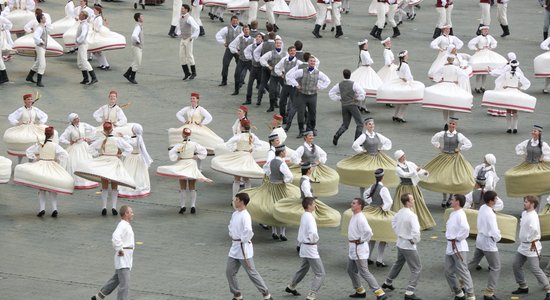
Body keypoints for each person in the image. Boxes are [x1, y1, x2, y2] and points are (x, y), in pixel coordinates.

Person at [74, 122, 135, 216]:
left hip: (104, 161)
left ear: (104, 131)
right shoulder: (117, 140)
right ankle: (114, 207)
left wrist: (98, 155)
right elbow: (129, 148)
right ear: (112, 129)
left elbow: (90, 149)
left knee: (104, 185)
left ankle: (104, 207)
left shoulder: (102, 140)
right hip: (114, 161)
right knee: (115, 185)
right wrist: (121, 155)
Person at [13, 126, 73, 217]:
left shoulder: (40, 144)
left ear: (45, 134)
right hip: (52, 166)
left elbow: (28, 151)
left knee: (42, 188)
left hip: (41, 165)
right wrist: (59, 163)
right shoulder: (55, 145)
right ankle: (54, 209)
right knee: (52, 187)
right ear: (52, 135)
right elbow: (65, 155)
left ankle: (42, 209)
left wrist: (35, 157)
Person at [245, 144, 299, 241]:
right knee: (283, 206)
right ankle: (282, 233)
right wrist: (284, 181)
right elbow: (290, 176)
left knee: (272, 205)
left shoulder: (272, 162)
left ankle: (274, 231)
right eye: (284, 151)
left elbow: (267, 172)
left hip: (272, 186)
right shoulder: (282, 164)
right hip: (280, 187)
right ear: (282, 152)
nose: (285, 152)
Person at [226, 192, 274, 300]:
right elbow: (231, 226)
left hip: (243, 249)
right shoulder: (235, 214)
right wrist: (233, 236)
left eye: (236, 199)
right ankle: (237, 295)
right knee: (229, 272)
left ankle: (266, 294)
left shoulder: (246, 215)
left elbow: (248, 231)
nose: (234, 201)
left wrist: (242, 240)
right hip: (234, 247)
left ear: (242, 202)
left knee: (252, 273)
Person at [419, 117, 474, 207]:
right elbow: (434, 139)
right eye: (450, 123)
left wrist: (459, 149)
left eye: (453, 124)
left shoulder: (459, 135)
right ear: (448, 124)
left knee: (452, 178)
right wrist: (439, 147)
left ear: (456, 126)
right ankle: (445, 198)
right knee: (443, 178)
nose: (452, 125)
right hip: (444, 157)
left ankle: (450, 197)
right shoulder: (443, 133)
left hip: (454, 158)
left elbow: (468, 143)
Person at [336, 117, 397, 198]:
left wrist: (382, 148)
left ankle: (376, 194)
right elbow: (355, 144)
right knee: (364, 175)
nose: (371, 125)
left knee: (378, 174)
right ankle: (362, 196)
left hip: (377, 157)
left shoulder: (377, 135)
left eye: (372, 124)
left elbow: (387, 141)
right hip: (367, 157)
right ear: (366, 126)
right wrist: (361, 150)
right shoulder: (364, 136)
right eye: (369, 124)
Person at [157, 128, 212, 214]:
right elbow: (203, 151)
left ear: (182, 135)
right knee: (192, 186)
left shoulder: (179, 145)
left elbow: (172, 152)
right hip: (191, 164)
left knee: (182, 186)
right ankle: (193, 206)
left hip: (182, 164)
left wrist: (177, 157)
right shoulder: (194, 144)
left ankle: (182, 206)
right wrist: (196, 157)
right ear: (190, 135)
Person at [381, 193, 422, 300]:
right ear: (408, 202)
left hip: (400, 243)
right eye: (412, 199)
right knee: (416, 268)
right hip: (408, 245)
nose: (413, 201)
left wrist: (399, 232)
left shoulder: (399, 212)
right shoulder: (412, 215)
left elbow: (393, 222)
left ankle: (387, 282)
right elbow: (416, 232)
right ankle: (409, 292)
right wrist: (414, 240)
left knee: (398, 263)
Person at [346, 197, 388, 300]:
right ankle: (360, 291)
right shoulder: (354, 215)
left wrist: (362, 240)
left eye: (354, 203)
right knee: (351, 270)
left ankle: (380, 293)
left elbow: (369, 232)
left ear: (360, 206)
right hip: (353, 248)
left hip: (358, 249)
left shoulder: (360, 218)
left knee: (364, 272)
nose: (352, 204)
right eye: (352, 202)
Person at [211, 119, 264, 198]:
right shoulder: (252, 136)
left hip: (239, 156)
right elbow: (259, 145)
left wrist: (234, 150)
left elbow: (229, 143)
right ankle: (247, 197)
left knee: (237, 178)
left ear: (242, 127)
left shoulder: (239, 136)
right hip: (247, 156)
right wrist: (252, 150)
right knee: (246, 177)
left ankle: (234, 197)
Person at [91, 205, 135, 300]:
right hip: (123, 260)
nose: (132, 214)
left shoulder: (125, 225)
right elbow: (115, 236)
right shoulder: (123, 225)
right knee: (124, 285)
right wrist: (120, 249)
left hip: (125, 259)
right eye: (131, 212)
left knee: (116, 279)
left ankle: (99, 296)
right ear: (126, 214)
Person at [285, 197, 325, 300]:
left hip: (304, 247)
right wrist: (315, 240)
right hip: (310, 248)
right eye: (314, 203)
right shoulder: (310, 217)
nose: (315, 205)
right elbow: (313, 233)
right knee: (320, 273)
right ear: (309, 205)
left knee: (304, 268)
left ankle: (291, 286)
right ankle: (311, 295)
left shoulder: (304, 215)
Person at [481, 60, 537, 133]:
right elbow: (527, 83)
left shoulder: (506, 74)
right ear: (517, 66)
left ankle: (509, 128)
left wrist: (501, 88)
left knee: (508, 110)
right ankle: (515, 128)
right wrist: (521, 88)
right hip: (515, 92)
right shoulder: (518, 74)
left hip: (507, 91)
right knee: (515, 109)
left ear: (510, 65)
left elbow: (498, 81)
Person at [511, 196, 550, 300]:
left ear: (532, 204)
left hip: (531, 246)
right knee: (516, 265)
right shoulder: (524, 213)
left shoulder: (533, 216)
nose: (524, 203)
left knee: (535, 269)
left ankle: (548, 290)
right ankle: (523, 286)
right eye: (524, 201)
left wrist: (530, 239)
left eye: (526, 202)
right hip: (523, 246)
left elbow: (535, 231)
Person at [466, 191, 502, 300]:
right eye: (495, 199)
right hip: (488, 243)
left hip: (480, 240)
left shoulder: (482, 208)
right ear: (491, 201)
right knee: (496, 267)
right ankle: (489, 292)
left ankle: (462, 283)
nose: (496, 200)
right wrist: (498, 238)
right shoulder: (491, 214)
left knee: (473, 262)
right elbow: (494, 230)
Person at [286, 55, 330, 137]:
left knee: (312, 113)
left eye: (314, 61)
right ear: (308, 62)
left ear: (315, 63)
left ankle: (311, 129)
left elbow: (327, 80)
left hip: (312, 96)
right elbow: (290, 76)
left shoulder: (318, 73)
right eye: (311, 61)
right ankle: (301, 130)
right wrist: (296, 85)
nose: (312, 62)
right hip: (302, 95)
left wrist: (319, 87)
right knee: (301, 113)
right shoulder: (302, 71)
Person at [376, 50, 424, 123]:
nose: (408, 56)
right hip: (405, 82)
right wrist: (411, 81)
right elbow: (408, 75)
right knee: (405, 101)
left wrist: (402, 77)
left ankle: (396, 115)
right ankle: (400, 116)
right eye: (407, 55)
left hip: (400, 81)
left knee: (400, 100)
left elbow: (398, 73)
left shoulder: (400, 64)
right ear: (404, 56)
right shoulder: (405, 65)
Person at [4, 93, 54, 163]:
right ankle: (19, 162)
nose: (30, 101)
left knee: (34, 142)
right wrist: (17, 122)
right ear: (24, 101)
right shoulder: (21, 110)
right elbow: (11, 116)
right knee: (22, 142)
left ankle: (30, 162)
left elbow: (44, 116)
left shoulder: (35, 109)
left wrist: (40, 122)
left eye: (31, 99)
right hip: (24, 127)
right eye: (28, 99)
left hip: (33, 127)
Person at [392, 150, 435, 230]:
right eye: (402, 156)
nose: (404, 157)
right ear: (399, 158)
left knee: (418, 203)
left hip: (413, 187)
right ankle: (404, 224)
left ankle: (421, 222)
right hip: (404, 188)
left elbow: (417, 170)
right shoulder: (397, 168)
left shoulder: (409, 163)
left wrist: (424, 173)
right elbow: (405, 175)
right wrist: (416, 171)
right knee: (403, 204)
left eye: (404, 155)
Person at [423, 54, 473, 122]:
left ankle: (445, 122)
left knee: (445, 104)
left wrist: (440, 80)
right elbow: (464, 75)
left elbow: (435, 75)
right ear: (453, 60)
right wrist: (458, 81)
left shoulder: (444, 67)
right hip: (452, 85)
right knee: (451, 103)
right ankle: (450, 121)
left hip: (444, 84)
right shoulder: (456, 68)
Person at [504, 125, 550, 197]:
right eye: (532, 131)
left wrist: (542, 159)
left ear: (539, 133)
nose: (533, 132)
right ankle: (526, 200)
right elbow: (519, 148)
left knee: (535, 187)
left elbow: (548, 154)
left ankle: (535, 204)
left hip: (536, 166)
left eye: (535, 131)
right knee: (510, 174)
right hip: (527, 165)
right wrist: (524, 155)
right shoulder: (527, 142)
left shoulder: (543, 144)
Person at [444, 194, 475, 300]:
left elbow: (466, 229)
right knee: (448, 271)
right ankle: (459, 293)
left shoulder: (460, 214)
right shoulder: (453, 213)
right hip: (451, 246)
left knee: (463, 271)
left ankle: (470, 295)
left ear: (457, 202)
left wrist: (457, 238)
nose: (451, 201)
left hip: (458, 247)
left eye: (452, 199)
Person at [362, 168, 395, 267]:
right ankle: (379, 259)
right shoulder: (383, 189)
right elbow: (389, 201)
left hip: (371, 211)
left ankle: (368, 257)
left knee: (373, 235)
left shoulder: (372, 186)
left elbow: (365, 195)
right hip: (379, 212)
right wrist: (384, 207)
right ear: (382, 177)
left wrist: (371, 203)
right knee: (383, 236)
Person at [290, 131, 339, 197]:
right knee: (306, 182)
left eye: (312, 136)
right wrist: (299, 162)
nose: (312, 137)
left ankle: (313, 197)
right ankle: (308, 196)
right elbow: (293, 156)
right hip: (306, 168)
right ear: (305, 137)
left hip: (315, 168)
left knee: (318, 182)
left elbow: (323, 154)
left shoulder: (315, 147)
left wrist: (319, 161)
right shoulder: (302, 148)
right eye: (310, 136)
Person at [59, 113, 98, 189]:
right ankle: (77, 181)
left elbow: (93, 129)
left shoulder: (83, 125)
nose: (78, 120)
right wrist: (69, 142)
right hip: (75, 147)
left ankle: (88, 180)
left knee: (87, 161)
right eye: (75, 119)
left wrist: (88, 138)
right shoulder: (69, 128)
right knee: (74, 163)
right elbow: (61, 138)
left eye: (78, 118)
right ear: (72, 121)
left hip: (84, 146)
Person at [329, 68, 366, 146]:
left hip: (344, 105)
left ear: (343, 75)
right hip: (352, 105)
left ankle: (337, 134)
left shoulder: (339, 84)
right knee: (360, 123)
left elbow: (331, 93)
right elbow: (362, 94)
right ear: (350, 75)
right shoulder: (354, 84)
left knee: (345, 124)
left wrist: (340, 98)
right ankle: (357, 141)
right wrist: (357, 99)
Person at [467, 26, 507, 94]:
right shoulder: (479, 37)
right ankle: (477, 87)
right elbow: (470, 44)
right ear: (481, 31)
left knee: (485, 72)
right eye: (484, 30)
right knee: (479, 72)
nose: (486, 31)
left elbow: (494, 42)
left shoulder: (489, 37)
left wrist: (491, 47)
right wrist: (476, 49)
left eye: (487, 30)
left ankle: (483, 86)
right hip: (481, 53)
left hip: (488, 53)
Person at [118, 124, 152, 198]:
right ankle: (140, 186)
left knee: (129, 171)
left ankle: (129, 188)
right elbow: (130, 139)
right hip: (139, 157)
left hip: (132, 157)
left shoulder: (133, 140)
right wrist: (123, 136)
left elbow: (128, 142)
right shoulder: (139, 138)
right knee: (140, 173)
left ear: (133, 131)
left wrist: (121, 138)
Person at [350, 39, 383, 113]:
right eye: (366, 44)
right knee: (364, 86)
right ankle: (360, 105)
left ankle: (362, 106)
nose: (367, 45)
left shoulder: (363, 51)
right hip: (366, 69)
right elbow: (369, 61)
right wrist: (371, 61)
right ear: (364, 45)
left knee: (364, 88)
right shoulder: (364, 52)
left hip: (366, 68)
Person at [274, 45, 300, 121]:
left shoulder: (298, 62)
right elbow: (277, 67)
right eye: (291, 51)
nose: (293, 52)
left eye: (294, 51)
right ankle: (283, 117)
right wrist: (281, 74)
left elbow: (304, 69)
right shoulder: (284, 60)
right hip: (285, 85)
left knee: (295, 103)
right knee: (282, 102)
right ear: (288, 52)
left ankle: (305, 116)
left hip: (293, 86)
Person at [259, 38, 285, 112]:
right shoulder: (271, 53)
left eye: (280, 43)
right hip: (273, 75)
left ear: (281, 44)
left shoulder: (285, 53)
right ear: (275, 44)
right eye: (277, 43)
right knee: (272, 91)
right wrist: (267, 65)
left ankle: (284, 105)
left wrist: (284, 71)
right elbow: (262, 59)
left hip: (281, 76)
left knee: (286, 90)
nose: (278, 44)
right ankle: (272, 106)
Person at [216, 15, 242, 86]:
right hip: (229, 49)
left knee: (240, 65)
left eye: (236, 21)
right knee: (225, 64)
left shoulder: (241, 29)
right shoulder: (226, 29)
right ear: (231, 21)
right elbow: (218, 35)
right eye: (233, 21)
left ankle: (240, 80)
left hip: (237, 50)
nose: (235, 22)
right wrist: (223, 42)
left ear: (238, 21)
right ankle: (224, 80)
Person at [176, 4, 199, 81]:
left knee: (189, 55)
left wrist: (193, 37)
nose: (181, 10)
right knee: (181, 56)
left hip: (188, 39)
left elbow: (196, 27)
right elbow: (179, 26)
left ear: (186, 10)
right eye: (181, 9)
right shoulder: (180, 17)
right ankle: (186, 72)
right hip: (182, 38)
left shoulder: (189, 18)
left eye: (182, 9)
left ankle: (193, 72)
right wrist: (179, 33)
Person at [229, 25, 253, 96]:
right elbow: (231, 45)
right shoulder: (239, 39)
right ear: (243, 31)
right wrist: (236, 51)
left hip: (249, 61)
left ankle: (261, 88)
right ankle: (236, 90)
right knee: (237, 75)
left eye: (247, 29)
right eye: (245, 29)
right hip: (241, 60)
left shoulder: (253, 40)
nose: (246, 31)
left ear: (249, 31)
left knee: (256, 75)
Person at [76, 11, 98, 85]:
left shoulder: (84, 25)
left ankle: (94, 77)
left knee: (84, 61)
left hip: (82, 44)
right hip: (81, 44)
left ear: (84, 16)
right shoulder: (83, 23)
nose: (79, 15)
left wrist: (78, 41)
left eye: (80, 14)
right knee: (80, 62)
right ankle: (85, 78)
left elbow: (83, 35)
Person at [25, 13, 47, 87]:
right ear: (41, 19)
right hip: (40, 47)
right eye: (44, 17)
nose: (45, 19)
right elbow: (35, 36)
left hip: (41, 47)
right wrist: (41, 41)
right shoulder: (40, 28)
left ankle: (29, 76)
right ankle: (39, 81)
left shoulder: (42, 26)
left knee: (38, 62)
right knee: (42, 64)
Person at [243, 32, 264, 105]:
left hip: (261, 69)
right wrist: (251, 58)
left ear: (262, 39)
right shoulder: (252, 46)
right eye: (257, 37)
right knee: (250, 84)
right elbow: (246, 51)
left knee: (264, 84)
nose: (257, 38)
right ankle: (248, 99)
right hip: (254, 67)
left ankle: (261, 100)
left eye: (259, 37)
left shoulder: (263, 46)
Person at [124, 13, 143, 84]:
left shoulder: (139, 26)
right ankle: (132, 77)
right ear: (138, 18)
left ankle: (127, 74)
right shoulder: (138, 26)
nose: (143, 18)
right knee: (137, 62)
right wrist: (138, 41)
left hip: (136, 46)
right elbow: (134, 36)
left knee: (135, 61)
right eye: (141, 16)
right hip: (136, 47)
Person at [91, 6, 110, 71]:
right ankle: (102, 64)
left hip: (97, 35)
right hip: (95, 34)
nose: (94, 11)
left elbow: (99, 27)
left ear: (98, 11)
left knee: (99, 51)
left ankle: (106, 64)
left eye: (95, 10)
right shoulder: (96, 17)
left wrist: (94, 29)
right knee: (95, 51)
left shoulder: (98, 18)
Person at [0, 16, 12, 84]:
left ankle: (4, 77)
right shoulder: (1, 18)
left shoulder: (1, 18)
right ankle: (4, 77)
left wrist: (3, 28)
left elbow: (9, 24)